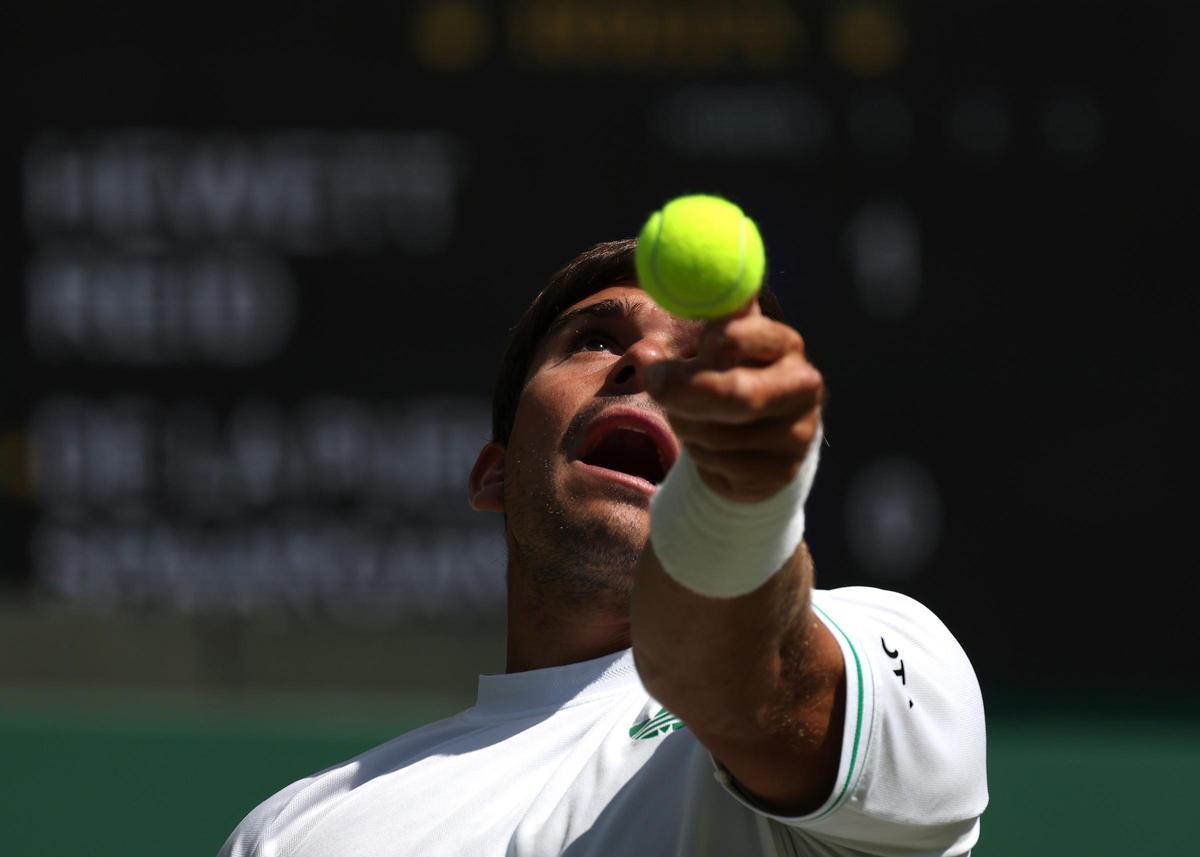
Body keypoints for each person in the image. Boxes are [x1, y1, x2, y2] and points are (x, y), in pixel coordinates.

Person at [218, 238, 987, 856]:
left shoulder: (903, 651)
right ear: (495, 472)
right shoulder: (292, 832)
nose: (647, 363)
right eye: (592, 338)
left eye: (702, 362)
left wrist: (742, 514)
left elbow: (768, 688)